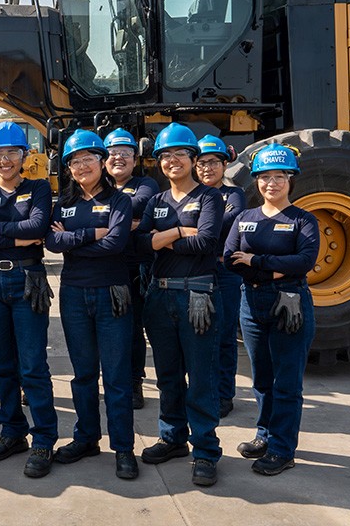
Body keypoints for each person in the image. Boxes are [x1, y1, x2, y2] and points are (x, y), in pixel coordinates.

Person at [0, 120, 57, 479]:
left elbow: (38, 229)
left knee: (32, 365)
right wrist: (15, 238)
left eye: (11, 153)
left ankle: (45, 437)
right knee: (1, 364)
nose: (4, 160)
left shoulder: (38, 188)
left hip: (27, 280)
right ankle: (12, 431)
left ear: (24, 155)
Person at [135, 122, 224, 487]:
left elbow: (206, 243)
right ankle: (172, 438)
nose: (172, 161)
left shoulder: (209, 198)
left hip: (196, 295)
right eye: (165, 155)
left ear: (193, 158)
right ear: (158, 162)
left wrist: (161, 240)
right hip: (159, 295)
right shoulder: (156, 201)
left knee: (201, 377)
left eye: (180, 154)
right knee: (168, 375)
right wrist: (175, 233)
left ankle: (205, 450)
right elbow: (140, 245)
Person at [45, 130, 137, 480]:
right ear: (68, 168)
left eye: (88, 159)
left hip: (111, 293)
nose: (82, 166)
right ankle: (86, 438)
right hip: (74, 295)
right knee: (83, 374)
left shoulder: (120, 201)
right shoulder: (64, 203)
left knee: (115, 376)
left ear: (102, 162)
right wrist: (90, 235)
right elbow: (52, 242)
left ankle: (124, 448)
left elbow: (115, 244)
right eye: (75, 161)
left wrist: (73, 241)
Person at [224, 142, 318, 476]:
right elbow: (230, 260)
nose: (271, 183)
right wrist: (273, 268)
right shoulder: (244, 217)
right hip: (251, 303)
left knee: (287, 381)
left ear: (291, 180)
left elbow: (304, 261)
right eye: (264, 176)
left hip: (289, 302)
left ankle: (282, 449)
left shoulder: (303, 220)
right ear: (256, 181)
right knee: (262, 378)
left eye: (280, 176)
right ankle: (264, 435)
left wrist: (257, 261)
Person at [103, 127, 159, 410]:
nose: (118, 158)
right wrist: (128, 223)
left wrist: (100, 217)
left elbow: (142, 205)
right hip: (101, 268)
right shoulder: (93, 186)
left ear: (135, 160)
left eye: (125, 153)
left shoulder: (146, 185)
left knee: (133, 328)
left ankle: (134, 381)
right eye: (112, 153)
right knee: (107, 329)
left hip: (134, 270)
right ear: (104, 159)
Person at [195, 134, 246, 419]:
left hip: (224, 271)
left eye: (213, 162)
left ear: (224, 164)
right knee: (201, 335)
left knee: (225, 335)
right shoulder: (191, 194)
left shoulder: (234, 194)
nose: (207, 169)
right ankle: (204, 389)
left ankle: (224, 394)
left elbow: (228, 223)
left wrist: (195, 225)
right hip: (197, 270)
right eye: (201, 163)